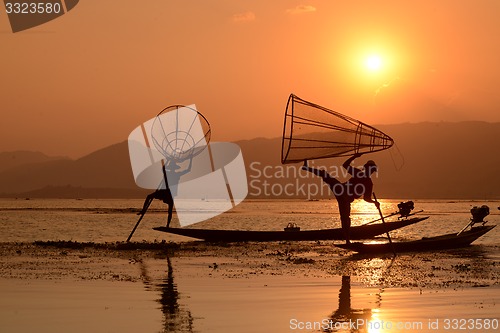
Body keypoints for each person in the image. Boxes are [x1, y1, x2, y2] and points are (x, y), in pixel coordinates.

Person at [302, 153, 380, 244]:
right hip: (341, 189)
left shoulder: (369, 183)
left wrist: (374, 202)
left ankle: (347, 240)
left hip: (346, 198)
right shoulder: (358, 173)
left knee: (346, 218)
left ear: (372, 171)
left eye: (371, 170)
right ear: (366, 168)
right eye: (368, 168)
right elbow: (345, 165)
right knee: (324, 174)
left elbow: (366, 198)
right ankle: (306, 167)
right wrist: (354, 157)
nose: (369, 171)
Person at [138, 158, 192, 227]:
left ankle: (167, 225)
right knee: (149, 196)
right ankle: (143, 210)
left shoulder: (176, 174)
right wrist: (168, 160)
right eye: (171, 168)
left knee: (170, 210)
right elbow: (163, 168)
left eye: (173, 168)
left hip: (169, 194)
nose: (172, 169)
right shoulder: (169, 173)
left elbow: (188, 170)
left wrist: (190, 159)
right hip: (164, 192)